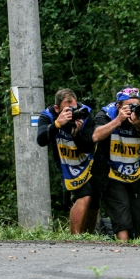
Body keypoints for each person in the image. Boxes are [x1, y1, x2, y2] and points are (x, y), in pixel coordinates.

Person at [88, 87, 140, 241]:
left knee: (135, 221)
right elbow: (95, 136)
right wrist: (118, 120)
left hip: (134, 175)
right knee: (122, 219)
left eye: (136, 105)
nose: (133, 109)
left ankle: (130, 250)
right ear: (118, 106)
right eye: (129, 106)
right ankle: (122, 249)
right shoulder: (106, 114)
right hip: (111, 173)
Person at [36, 88, 99, 234]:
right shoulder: (48, 115)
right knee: (84, 194)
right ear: (57, 108)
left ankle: (88, 236)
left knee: (95, 199)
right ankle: (75, 236)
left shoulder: (84, 113)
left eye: (74, 108)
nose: (72, 113)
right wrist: (57, 124)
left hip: (88, 160)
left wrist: (76, 135)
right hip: (65, 161)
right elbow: (41, 140)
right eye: (67, 110)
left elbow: (88, 146)